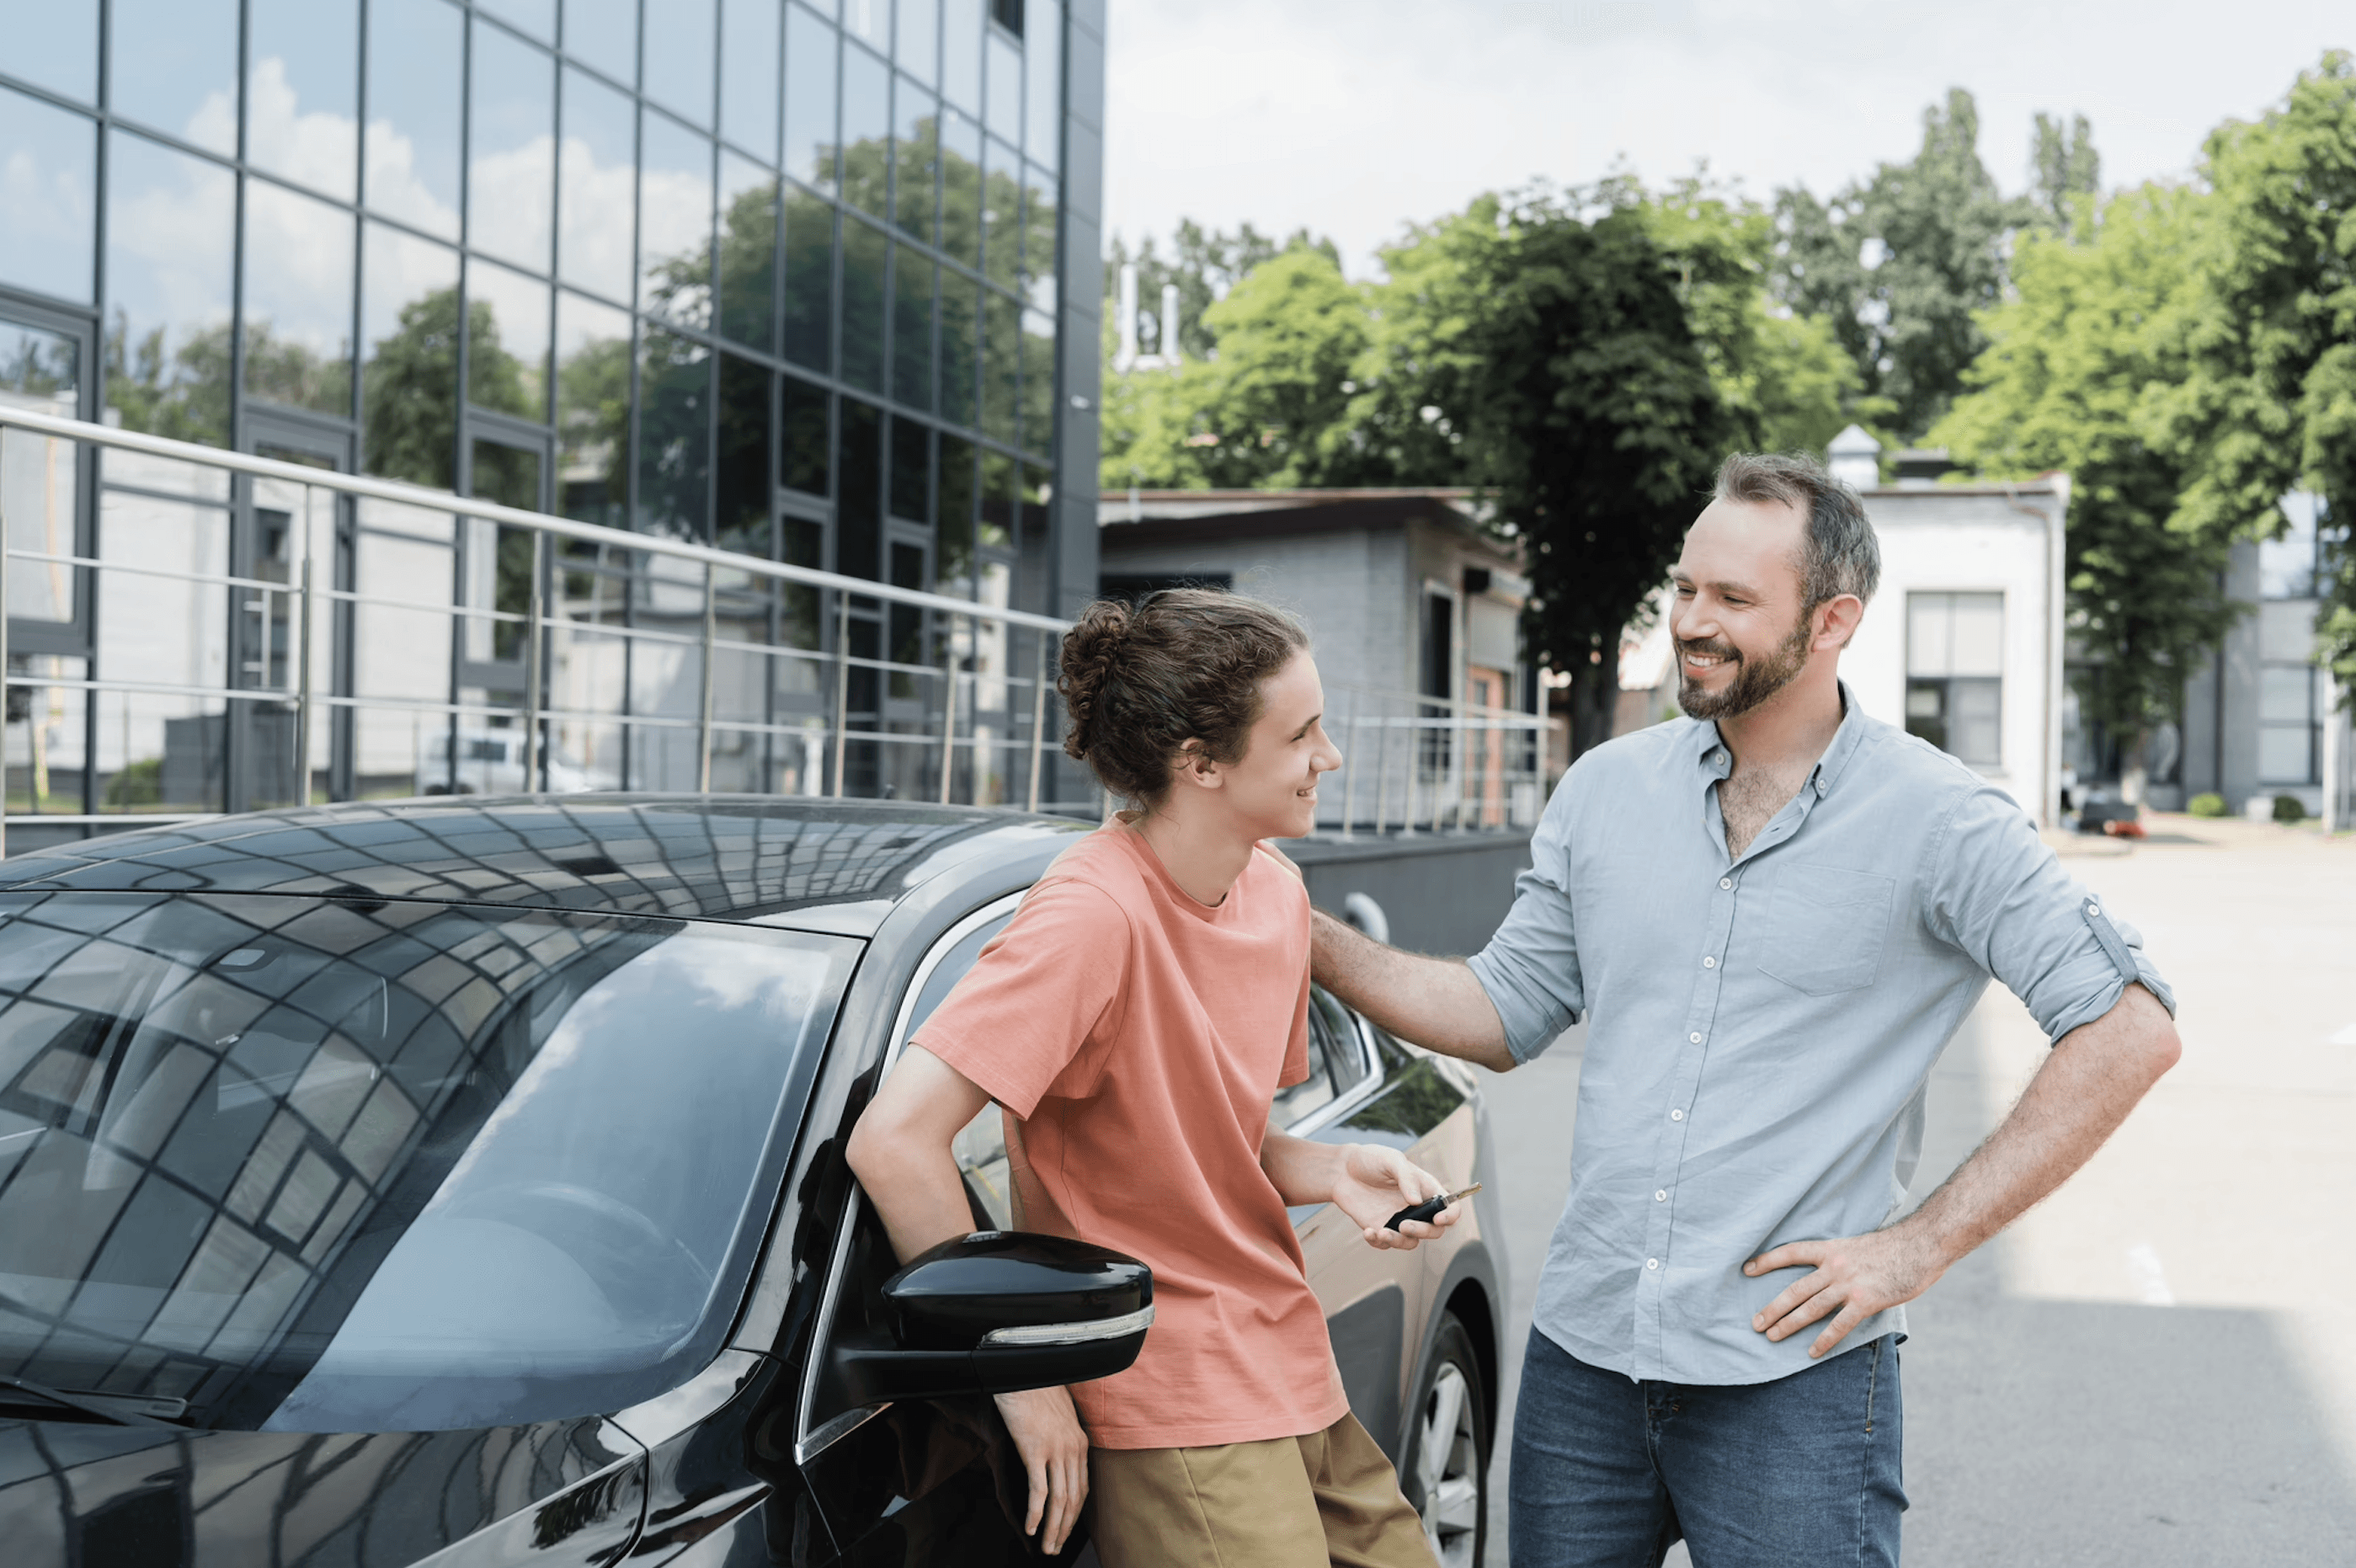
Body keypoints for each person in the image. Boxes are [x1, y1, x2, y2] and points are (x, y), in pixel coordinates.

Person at [1312, 453, 2183, 1566]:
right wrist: (1310, 938)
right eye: (1684, 589)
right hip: (1586, 1368)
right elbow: (1499, 1006)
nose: (1689, 621)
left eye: (1731, 599)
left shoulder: (1939, 818)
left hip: (1798, 1385)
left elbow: (2130, 1026)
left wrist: (1914, 1249)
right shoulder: (1604, 791)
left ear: (1831, 621)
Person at [846, 588, 1458, 1568]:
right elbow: (893, 1139)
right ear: (1200, 763)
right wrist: (1022, 1375)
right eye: (1301, 734)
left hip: (1287, 1355)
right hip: (1166, 1392)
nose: (1328, 757)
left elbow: (1216, 1137)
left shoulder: (1275, 893)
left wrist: (1334, 1169)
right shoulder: (1089, 915)